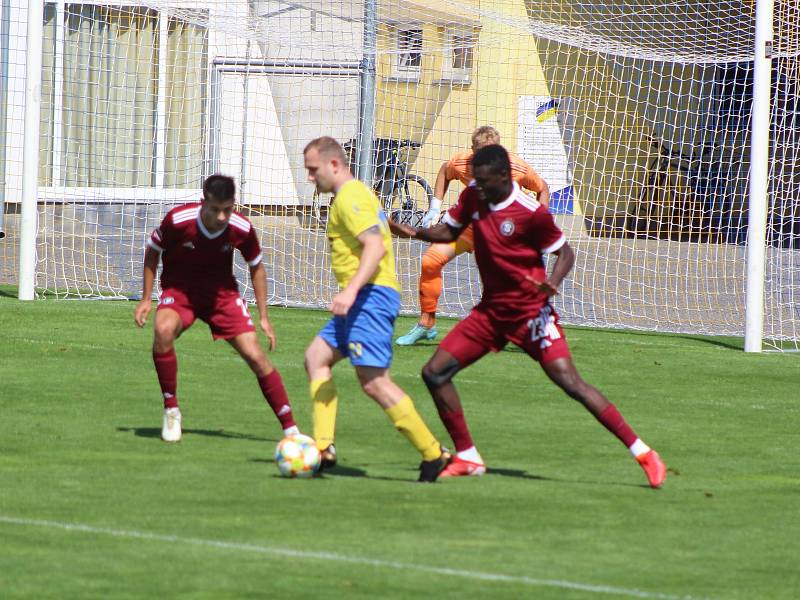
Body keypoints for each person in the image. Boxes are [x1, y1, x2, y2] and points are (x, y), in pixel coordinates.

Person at [391, 145, 666, 488]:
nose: (480, 187)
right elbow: (448, 231)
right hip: (490, 314)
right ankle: (468, 456)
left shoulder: (530, 213)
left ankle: (644, 453)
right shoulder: (475, 196)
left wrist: (552, 281)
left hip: (531, 315)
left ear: (506, 177)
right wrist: (413, 231)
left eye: (486, 181)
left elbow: (565, 252)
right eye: (476, 180)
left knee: (572, 384)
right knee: (434, 372)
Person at [302, 136, 450, 482]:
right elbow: (380, 229)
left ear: (334, 164)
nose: (311, 177)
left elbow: (373, 247)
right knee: (316, 358)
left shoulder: (351, 197)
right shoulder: (358, 193)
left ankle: (434, 454)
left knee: (374, 382)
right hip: (362, 298)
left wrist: (350, 291)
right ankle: (324, 448)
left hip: (369, 297)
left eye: (313, 170)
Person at [134, 174, 299, 443]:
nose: (222, 217)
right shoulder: (178, 221)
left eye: (228, 209)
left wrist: (264, 317)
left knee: (256, 357)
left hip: (222, 297)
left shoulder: (241, 228)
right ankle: (171, 409)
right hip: (180, 292)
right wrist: (145, 298)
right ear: (203, 202)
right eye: (215, 210)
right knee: (162, 330)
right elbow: (153, 251)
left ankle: (291, 430)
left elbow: (256, 267)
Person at [396, 125, 550, 345]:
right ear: (473, 152)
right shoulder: (462, 163)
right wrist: (435, 206)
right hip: (469, 228)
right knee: (431, 261)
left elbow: (543, 188)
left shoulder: (517, 168)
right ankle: (426, 323)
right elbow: (444, 172)